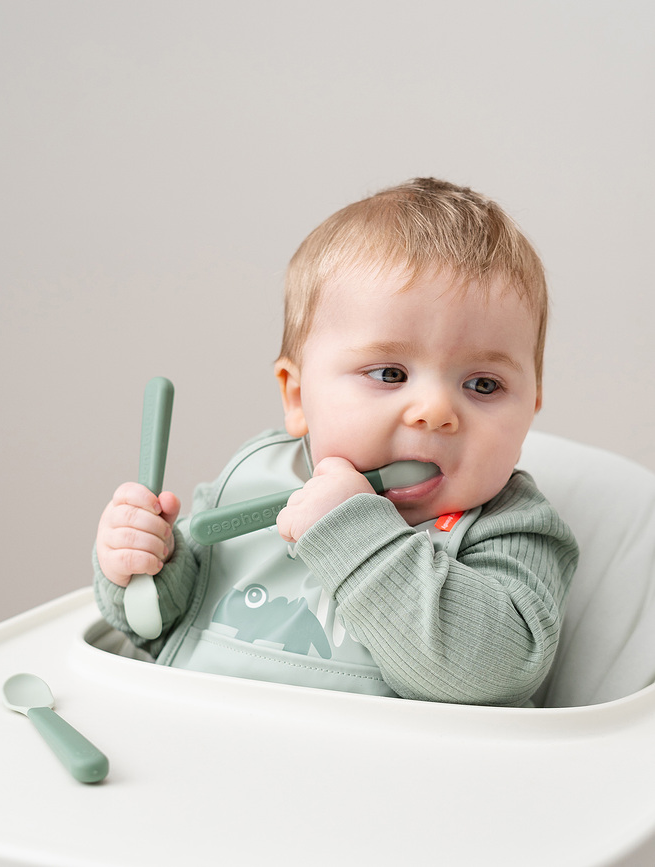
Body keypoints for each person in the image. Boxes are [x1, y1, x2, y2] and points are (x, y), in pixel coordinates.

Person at [94, 177, 578, 706]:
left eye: (483, 385)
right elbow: (163, 630)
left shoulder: (511, 528)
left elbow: (492, 676)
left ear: (529, 410)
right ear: (298, 395)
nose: (436, 412)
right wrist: (144, 570)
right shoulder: (255, 477)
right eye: (390, 373)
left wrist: (352, 537)